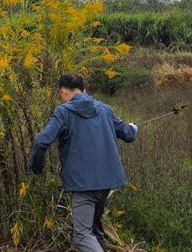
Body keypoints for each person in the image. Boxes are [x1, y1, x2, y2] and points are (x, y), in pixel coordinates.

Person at [29, 74, 138, 252]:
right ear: (84, 90)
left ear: (64, 92)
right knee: (95, 229)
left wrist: (36, 168)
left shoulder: (63, 112)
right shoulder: (105, 109)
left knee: (82, 236)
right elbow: (128, 134)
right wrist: (133, 127)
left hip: (83, 185)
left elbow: (42, 142)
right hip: (106, 184)